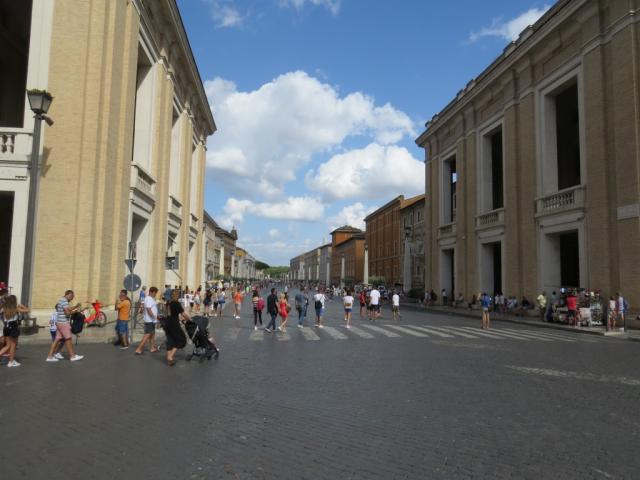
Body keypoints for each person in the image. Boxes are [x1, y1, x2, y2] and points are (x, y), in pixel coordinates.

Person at [46, 290, 85, 362]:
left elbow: (68, 309)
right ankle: (72, 356)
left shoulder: (62, 300)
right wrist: (76, 311)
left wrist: (76, 306)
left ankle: (50, 356)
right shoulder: (64, 301)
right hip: (64, 323)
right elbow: (67, 313)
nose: (72, 299)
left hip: (59, 322)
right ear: (69, 295)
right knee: (68, 338)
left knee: (56, 340)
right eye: (72, 297)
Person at [0, 295, 29, 367]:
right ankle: (11, 362)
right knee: (13, 345)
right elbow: (28, 310)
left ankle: (11, 360)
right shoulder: (16, 308)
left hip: (6, 326)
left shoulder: (4, 308)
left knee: (8, 345)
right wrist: (22, 305)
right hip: (13, 326)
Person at [164, 290, 188, 366]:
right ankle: (170, 356)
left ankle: (169, 359)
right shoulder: (176, 303)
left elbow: (168, 313)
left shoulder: (168, 302)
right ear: (177, 295)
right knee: (181, 339)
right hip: (174, 324)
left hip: (167, 323)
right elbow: (183, 314)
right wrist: (189, 319)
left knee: (170, 340)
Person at [135, 286, 159, 355]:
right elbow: (148, 309)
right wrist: (153, 316)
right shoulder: (148, 299)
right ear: (152, 292)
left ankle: (152, 348)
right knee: (147, 334)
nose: (155, 294)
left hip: (152, 320)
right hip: (150, 320)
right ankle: (138, 349)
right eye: (155, 293)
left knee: (152, 334)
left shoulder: (151, 298)